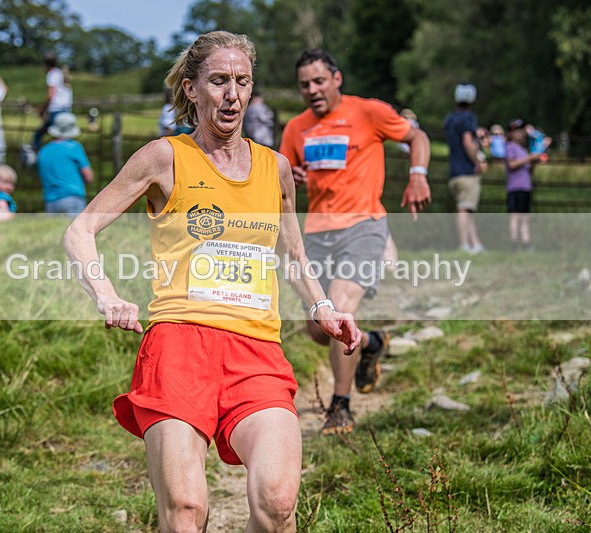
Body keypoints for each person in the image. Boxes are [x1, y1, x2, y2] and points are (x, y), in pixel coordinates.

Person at [63, 31, 361, 532]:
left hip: (256, 351)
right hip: (179, 347)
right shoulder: (164, 158)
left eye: (242, 82)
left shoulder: (276, 168)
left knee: (278, 502)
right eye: (219, 81)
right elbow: (81, 229)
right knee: (185, 512)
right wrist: (107, 294)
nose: (232, 95)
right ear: (191, 89)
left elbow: (293, 255)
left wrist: (323, 308)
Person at [279, 48, 431, 435]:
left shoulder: (369, 112)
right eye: (304, 85)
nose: (312, 90)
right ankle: (371, 343)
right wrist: (291, 177)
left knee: (341, 306)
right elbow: (281, 179)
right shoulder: (296, 128)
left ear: (337, 79)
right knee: (319, 328)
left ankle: (340, 405)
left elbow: (418, 137)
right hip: (316, 232)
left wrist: (417, 174)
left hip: (364, 225)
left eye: (318, 81)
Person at [444, 83, 487, 254]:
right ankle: (465, 244)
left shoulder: (449, 119)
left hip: (453, 172)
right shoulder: (468, 118)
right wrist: (477, 161)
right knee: (464, 208)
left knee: (466, 207)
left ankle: (474, 244)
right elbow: (467, 141)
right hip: (466, 171)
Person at [36, 112, 92, 215]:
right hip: (73, 198)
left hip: (50, 201)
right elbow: (89, 177)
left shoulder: (43, 151)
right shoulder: (74, 147)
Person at [505, 119, 544, 252]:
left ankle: (526, 243)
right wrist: (529, 158)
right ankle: (514, 244)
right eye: (516, 130)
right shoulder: (510, 147)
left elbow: (528, 170)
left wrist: (534, 162)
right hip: (515, 187)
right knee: (515, 216)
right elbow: (512, 165)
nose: (520, 133)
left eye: (521, 130)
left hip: (526, 186)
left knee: (525, 217)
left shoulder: (523, 150)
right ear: (510, 133)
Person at [33, 53, 72, 150]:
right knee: (65, 136)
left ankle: (38, 156)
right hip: (66, 109)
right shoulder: (61, 73)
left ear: (45, 65)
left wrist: (43, 108)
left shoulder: (52, 74)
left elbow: (51, 95)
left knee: (39, 135)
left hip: (56, 110)